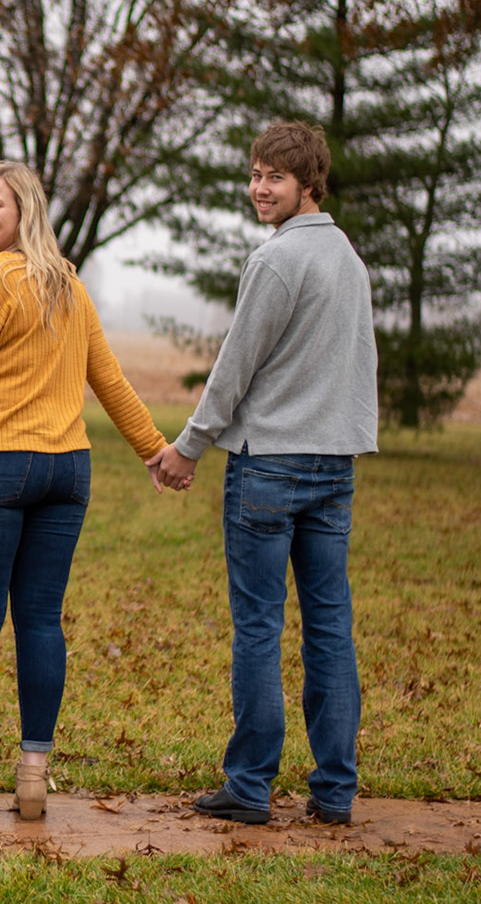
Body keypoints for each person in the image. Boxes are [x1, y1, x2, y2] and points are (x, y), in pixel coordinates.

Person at [0, 161, 168, 822]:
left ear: (26, 213)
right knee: (42, 621)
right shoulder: (68, 283)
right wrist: (154, 450)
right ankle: (33, 779)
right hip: (68, 471)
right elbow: (109, 378)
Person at [147, 121, 376, 827]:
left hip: (269, 465)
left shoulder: (277, 260)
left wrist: (188, 446)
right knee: (329, 626)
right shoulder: (348, 259)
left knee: (258, 626)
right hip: (333, 465)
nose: (259, 188)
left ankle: (248, 786)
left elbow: (234, 366)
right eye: (254, 175)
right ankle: (335, 792)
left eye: (275, 177)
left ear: (309, 183)